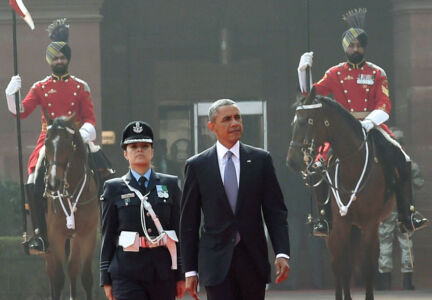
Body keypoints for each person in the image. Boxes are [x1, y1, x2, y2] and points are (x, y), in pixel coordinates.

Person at [296, 8, 428, 237]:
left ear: (364, 48)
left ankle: (408, 216)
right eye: (351, 45)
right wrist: (303, 71)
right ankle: (324, 219)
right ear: (345, 47)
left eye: (359, 45)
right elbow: (311, 95)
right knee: (317, 166)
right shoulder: (335, 73)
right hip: (340, 130)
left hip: (372, 125)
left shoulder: (377, 73)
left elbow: (385, 104)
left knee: (402, 159)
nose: (355, 49)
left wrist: (368, 122)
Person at [3, 19, 106, 254]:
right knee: (32, 180)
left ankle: (106, 224)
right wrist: (10, 94)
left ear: (68, 59)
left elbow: (90, 119)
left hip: (77, 137)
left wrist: (79, 135)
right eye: (55, 58)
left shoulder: (81, 87)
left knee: (105, 170)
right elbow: (22, 111)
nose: (59, 61)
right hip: (49, 140)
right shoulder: (40, 87)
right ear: (50, 61)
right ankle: (40, 235)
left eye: (62, 57)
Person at [180, 99, 290, 300]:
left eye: (237, 117)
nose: (234, 123)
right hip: (215, 263)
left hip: (253, 261)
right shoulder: (197, 166)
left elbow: (275, 212)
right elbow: (189, 223)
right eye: (227, 119)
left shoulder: (260, 160)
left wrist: (282, 252)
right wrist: (190, 270)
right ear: (212, 126)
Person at [100, 121, 185, 300]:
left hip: (162, 272)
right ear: (125, 153)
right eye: (133, 146)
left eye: (145, 146)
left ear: (152, 152)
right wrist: (105, 278)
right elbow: (107, 235)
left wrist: (181, 273)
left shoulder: (169, 184)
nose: (139, 150)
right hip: (126, 273)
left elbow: (179, 231)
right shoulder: (113, 188)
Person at [376, 128, 423, 291]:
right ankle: (407, 282)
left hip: (387, 209)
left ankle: (385, 281)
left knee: (385, 244)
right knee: (407, 245)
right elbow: (419, 184)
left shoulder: (383, 165)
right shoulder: (410, 164)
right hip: (404, 209)